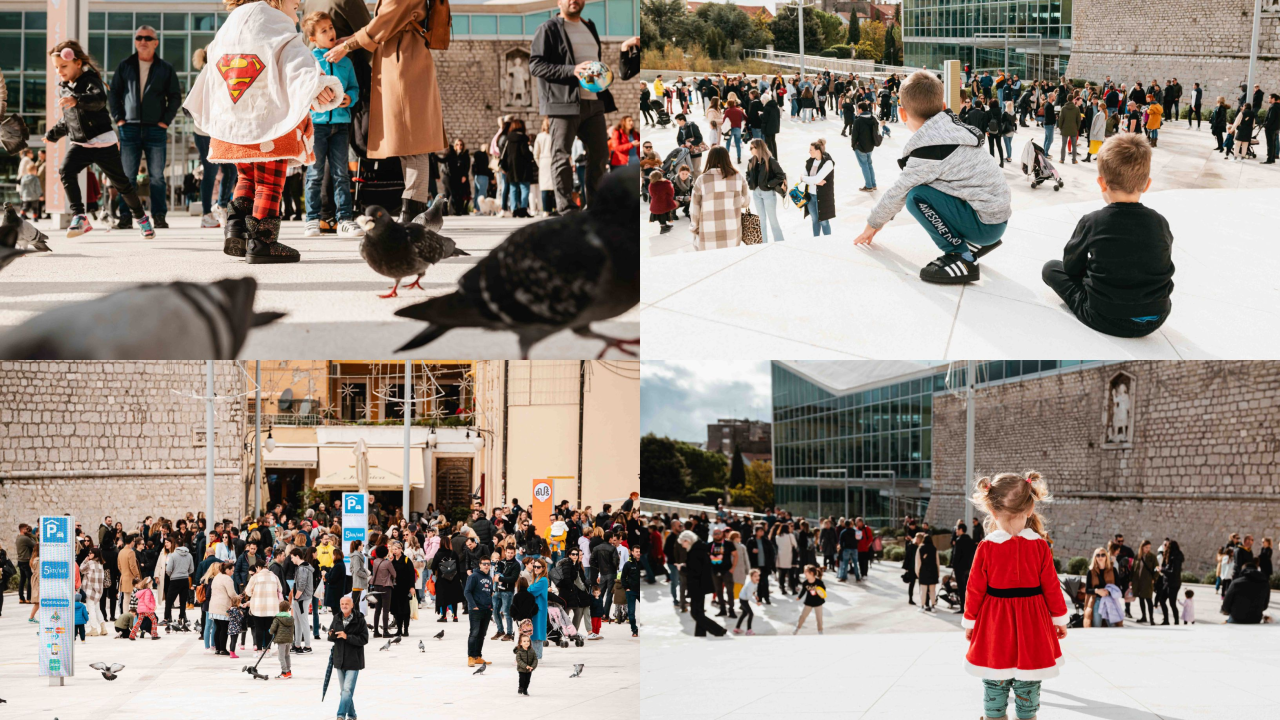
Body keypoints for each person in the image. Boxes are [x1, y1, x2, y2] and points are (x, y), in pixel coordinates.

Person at [185, 0, 345, 263]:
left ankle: (236, 229)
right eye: (295, 4)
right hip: (269, 119)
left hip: (236, 122)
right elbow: (296, 64)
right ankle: (262, 242)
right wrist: (318, 85)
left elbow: (214, 65)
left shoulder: (232, 25)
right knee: (269, 182)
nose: (298, 5)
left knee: (246, 177)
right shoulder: (275, 24)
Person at [854, 70, 1010, 285]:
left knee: (916, 196)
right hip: (995, 217)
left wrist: (873, 223)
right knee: (928, 189)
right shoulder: (952, 131)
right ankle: (974, 242)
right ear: (944, 106)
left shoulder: (930, 150)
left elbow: (898, 191)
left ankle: (961, 257)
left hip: (986, 225)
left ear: (902, 113)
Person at [1042, 133, 1173, 338]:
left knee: (1050, 268)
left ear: (1102, 183)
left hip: (1105, 317)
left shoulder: (1093, 221)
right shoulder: (1160, 222)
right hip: (1157, 315)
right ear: (1147, 184)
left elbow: (1070, 267)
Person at [964, 471, 1068, 720]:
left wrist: (971, 623)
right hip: (1033, 624)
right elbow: (1052, 588)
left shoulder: (986, 547)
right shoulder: (1040, 546)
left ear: (992, 511)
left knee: (994, 680)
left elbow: (974, 589)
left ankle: (994, 716)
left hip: (994, 623)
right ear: (1031, 507)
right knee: (1028, 682)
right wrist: (1059, 621)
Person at [529, 0, 634, 213]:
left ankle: (596, 209)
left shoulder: (590, 26)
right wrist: (572, 70)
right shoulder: (548, 28)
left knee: (600, 156)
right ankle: (567, 209)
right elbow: (535, 65)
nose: (573, 0)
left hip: (594, 102)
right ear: (559, 2)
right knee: (561, 155)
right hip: (563, 103)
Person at [44, 42, 156, 239]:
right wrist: (52, 134)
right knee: (66, 171)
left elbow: (98, 99)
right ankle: (80, 216)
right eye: (56, 67)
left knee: (121, 184)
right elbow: (69, 119)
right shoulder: (63, 89)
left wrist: (77, 99)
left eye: (63, 66)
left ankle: (142, 219)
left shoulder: (90, 80)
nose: (59, 71)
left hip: (103, 142)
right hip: (81, 143)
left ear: (77, 63)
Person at [107, 25, 180, 229]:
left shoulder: (165, 68)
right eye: (139, 37)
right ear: (135, 41)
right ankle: (124, 217)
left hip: (156, 128)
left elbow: (175, 96)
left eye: (148, 38)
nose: (143, 41)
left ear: (155, 43)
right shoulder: (125, 66)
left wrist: (165, 120)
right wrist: (119, 118)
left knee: (157, 176)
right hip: (128, 127)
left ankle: (158, 216)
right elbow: (114, 94)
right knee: (127, 176)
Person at [300, 11, 362, 238]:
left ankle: (345, 220)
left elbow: (354, 88)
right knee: (314, 174)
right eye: (324, 30)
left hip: (341, 125)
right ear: (313, 39)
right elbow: (303, 93)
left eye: (331, 28)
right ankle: (312, 220)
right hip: (317, 126)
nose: (331, 33)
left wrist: (350, 99)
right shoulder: (309, 61)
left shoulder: (346, 61)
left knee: (341, 174)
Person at [689, 145, 748, 251]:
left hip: (708, 230)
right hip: (732, 229)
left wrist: (694, 227)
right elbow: (745, 202)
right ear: (727, 158)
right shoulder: (738, 177)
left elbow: (695, 207)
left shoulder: (702, 179)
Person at [328, 595, 369, 719]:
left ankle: (340, 715)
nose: (344, 606)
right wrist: (332, 635)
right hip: (339, 660)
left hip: (353, 660)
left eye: (346, 604)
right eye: (342, 604)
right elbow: (331, 636)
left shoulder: (360, 619)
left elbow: (364, 639)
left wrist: (347, 636)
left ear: (352, 605)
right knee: (345, 692)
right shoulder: (336, 617)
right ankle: (352, 715)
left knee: (346, 691)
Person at [680, 530, 725, 637]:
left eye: (683, 542)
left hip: (698, 585)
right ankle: (700, 633)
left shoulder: (695, 551)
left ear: (687, 540)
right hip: (701, 585)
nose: (682, 545)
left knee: (695, 613)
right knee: (699, 612)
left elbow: (694, 571)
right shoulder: (698, 548)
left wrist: (682, 568)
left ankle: (718, 630)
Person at [743, 138, 786, 244]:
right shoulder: (751, 161)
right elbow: (748, 174)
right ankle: (764, 244)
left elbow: (781, 175)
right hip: (756, 193)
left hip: (768, 193)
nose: (750, 150)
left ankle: (780, 242)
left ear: (758, 148)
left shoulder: (770, 161)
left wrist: (769, 184)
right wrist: (750, 183)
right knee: (761, 220)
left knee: (773, 220)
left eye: (752, 148)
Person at [800, 139, 835, 236]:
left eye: (811, 150)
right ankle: (816, 241)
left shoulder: (828, 163)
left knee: (823, 221)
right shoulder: (810, 161)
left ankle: (828, 242)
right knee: (814, 220)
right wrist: (814, 181)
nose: (809, 152)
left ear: (818, 151)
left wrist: (809, 179)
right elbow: (804, 176)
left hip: (822, 197)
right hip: (810, 196)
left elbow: (811, 178)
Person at [464, 556, 495, 667]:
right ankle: (471, 656)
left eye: (488, 564)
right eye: (484, 564)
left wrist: (491, 607)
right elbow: (467, 592)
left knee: (482, 634)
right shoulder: (474, 576)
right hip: (476, 610)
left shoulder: (489, 578)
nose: (486, 566)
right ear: (480, 565)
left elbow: (490, 593)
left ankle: (478, 656)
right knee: (474, 633)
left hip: (486, 609)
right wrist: (473, 606)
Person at [246, 563, 283, 651]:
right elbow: (280, 590)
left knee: (259, 628)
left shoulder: (255, 577)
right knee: (268, 628)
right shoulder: (274, 577)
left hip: (258, 606)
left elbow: (248, 592)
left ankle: (259, 649)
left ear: (258, 567)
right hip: (272, 607)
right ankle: (267, 649)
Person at [851, 101, 879, 191]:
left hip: (861, 147)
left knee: (864, 166)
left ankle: (869, 186)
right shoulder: (873, 119)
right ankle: (873, 184)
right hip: (870, 146)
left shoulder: (858, 121)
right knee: (869, 165)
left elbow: (854, 135)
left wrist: (853, 146)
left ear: (860, 109)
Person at [951, 523, 976, 613]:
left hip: (960, 568)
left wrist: (953, 565)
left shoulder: (959, 541)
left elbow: (956, 555)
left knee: (961, 588)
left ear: (961, 530)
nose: (956, 531)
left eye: (957, 529)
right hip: (969, 568)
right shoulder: (971, 540)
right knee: (968, 588)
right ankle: (969, 607)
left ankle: (963, 608)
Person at [1131, 540, 1157, 624]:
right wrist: (1131, 580)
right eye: (1146, 547)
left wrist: (1154, 578)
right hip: (1138, 582)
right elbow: (1133, 569)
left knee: (1149, 600)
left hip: (1148, 582)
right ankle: (1143, 616)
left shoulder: (1152, 557)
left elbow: (1156, 568)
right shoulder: (1137, 557)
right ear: (1142, 547)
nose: (1148, 549)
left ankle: (1151, 619)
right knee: (1141, 599)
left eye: (1149, 547)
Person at [268, 599, 295, 679]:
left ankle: (284, 672)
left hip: (281, 640)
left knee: (281, 656)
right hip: (289, 639)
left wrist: (271, 631)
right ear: (288, 609)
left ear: (279, 609)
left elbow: (272, 630)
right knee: (287, 655)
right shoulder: (291, 618)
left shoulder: (277, 618)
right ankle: (289, 671)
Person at [1059, 95, 1082, 163]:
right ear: (1073, 99)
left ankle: (1062, 159)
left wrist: (1061, 127)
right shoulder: (1076, 109)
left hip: (1065, 129)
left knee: (1063, 145)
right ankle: (1074, 160)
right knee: (1074, 145)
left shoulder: (1063, 108)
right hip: (1074, 129)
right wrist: (1077, 128)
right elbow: (1078, 120)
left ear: (1067, 99)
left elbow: (1060, 119)